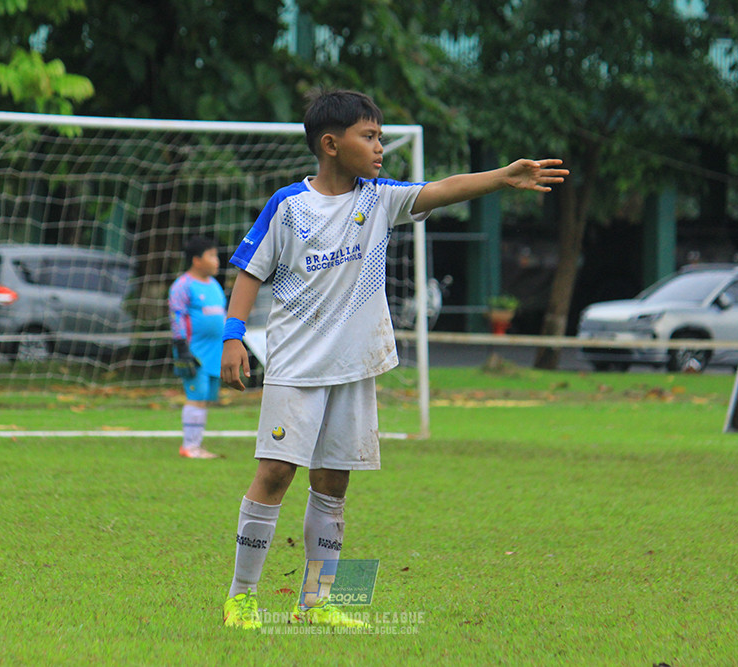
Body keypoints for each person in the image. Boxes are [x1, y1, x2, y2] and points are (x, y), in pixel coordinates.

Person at [220, 89, 568, 630]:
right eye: (370, 136)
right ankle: (241, 597)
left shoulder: (378, 198)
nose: (380, 147)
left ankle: (318, 602)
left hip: (356, 368)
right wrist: (233, 336)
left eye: (381, 136)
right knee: (274, 473)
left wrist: (502, 176)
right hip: (296, 370)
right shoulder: (289, 206)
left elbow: (443, 189)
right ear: (331, 145)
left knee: (334, 484)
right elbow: (249, 270)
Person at [169, 236, 227, 459]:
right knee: (196, 395)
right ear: (196, 260)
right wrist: (182, 347)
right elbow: (177, 317)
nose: (217, 260)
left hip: (215, 352)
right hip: (194, 351)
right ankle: (189, 447)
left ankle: (196, 445)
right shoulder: (182, 286)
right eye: (211, 255)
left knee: (205, 397)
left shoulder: (214, 285)